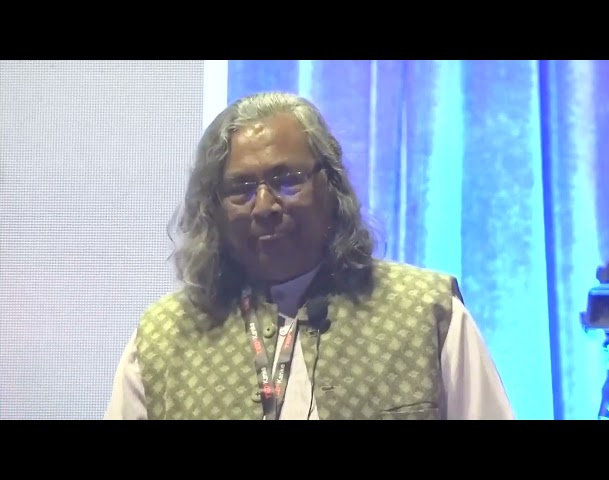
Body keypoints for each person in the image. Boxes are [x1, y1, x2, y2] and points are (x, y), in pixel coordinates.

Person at [104, 91, 514, 420]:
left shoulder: (427, 313)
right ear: (213, 209)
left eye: (287, 180)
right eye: (240, 189)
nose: (264, 206)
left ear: (331, 186)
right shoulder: (163, 340)